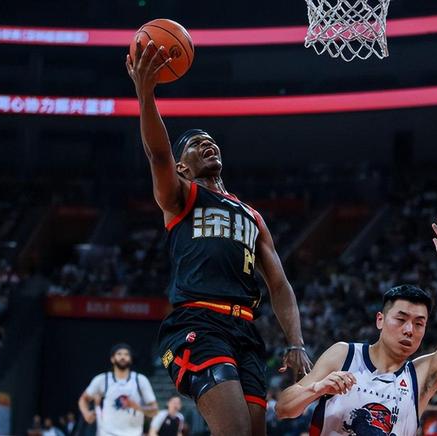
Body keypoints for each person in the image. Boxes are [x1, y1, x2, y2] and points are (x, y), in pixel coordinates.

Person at [125, 40, 312, 436]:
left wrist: (295, 341)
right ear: (182, 167)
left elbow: (279, 285)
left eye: (210, 140)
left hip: (245, 331)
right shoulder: (181, 196)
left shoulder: (252, 215)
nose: (207, 143)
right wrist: (146, 96)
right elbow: (158, 155)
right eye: (195, 144)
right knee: (235, 430)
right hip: (198, 321)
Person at [276, 216, 437, 436]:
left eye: (419, 323)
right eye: (401, 319)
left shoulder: (420, 376)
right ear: (380, 319)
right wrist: (317, 389)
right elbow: (283, 408)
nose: (409, 330)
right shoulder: (344, 355)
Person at [78, 343, 157, 436]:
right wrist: (86, 413)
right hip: (108, 433)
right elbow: (83, 399)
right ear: (112, 359)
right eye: (119, 354)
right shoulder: (102, 379)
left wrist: (137, 407)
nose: (123, 357)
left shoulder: (140, 380)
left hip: (133, 433)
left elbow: (154, 410)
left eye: (126, 354)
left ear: (131, 359)